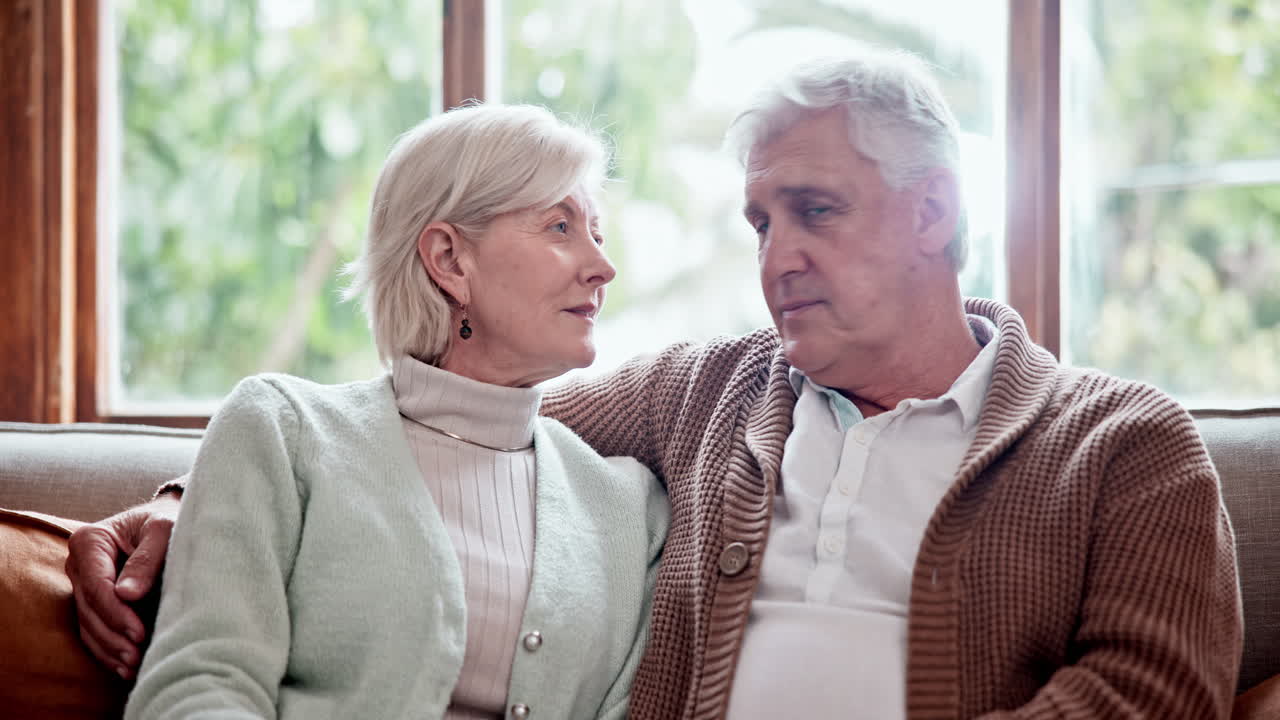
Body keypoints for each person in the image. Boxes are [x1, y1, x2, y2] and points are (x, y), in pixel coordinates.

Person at [70, 50, 1242, 719]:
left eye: (814, 212)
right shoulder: (706, 394)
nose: (774, 257)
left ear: (934, 213)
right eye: (758, 219)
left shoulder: (1124, 445)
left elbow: (1152, 696)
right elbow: (437, 430)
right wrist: (180, 506)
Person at [113, 103, 669, 719]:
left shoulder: (629, 511)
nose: (603, 267)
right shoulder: (281, 429)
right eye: (560, 228)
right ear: (450, 260)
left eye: (598, 233)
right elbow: (198, 687)